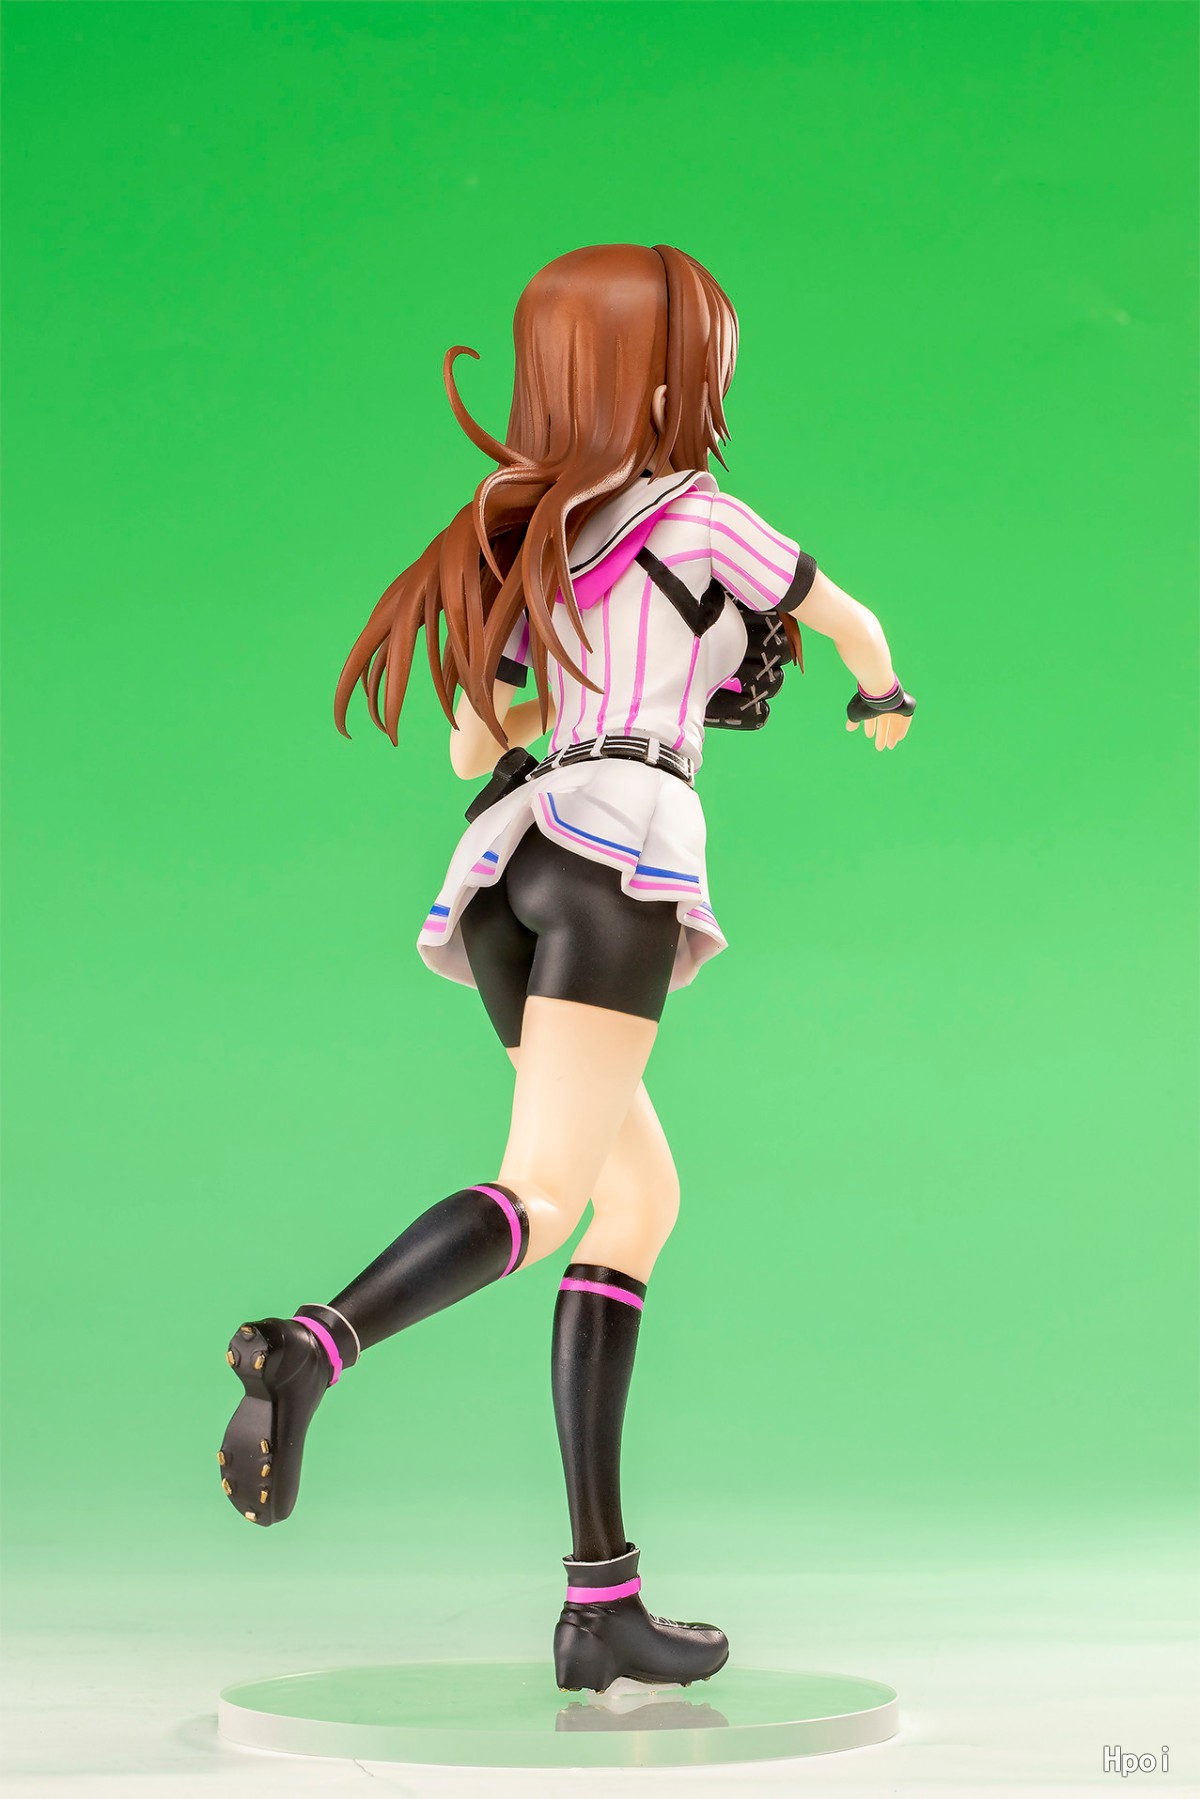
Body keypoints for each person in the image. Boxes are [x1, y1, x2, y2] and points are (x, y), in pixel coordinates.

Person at [217, 243, 915, 1695]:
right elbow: (850, 619)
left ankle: (602, 1604)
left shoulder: (537, 533)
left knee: (637, 1197)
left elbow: (473, 745)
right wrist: (881, 697)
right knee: (541, 1194)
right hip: (620, 855)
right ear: (660, 380)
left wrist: (586, 705)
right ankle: (313, 1344)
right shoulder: (701, 512)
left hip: (512, 862)